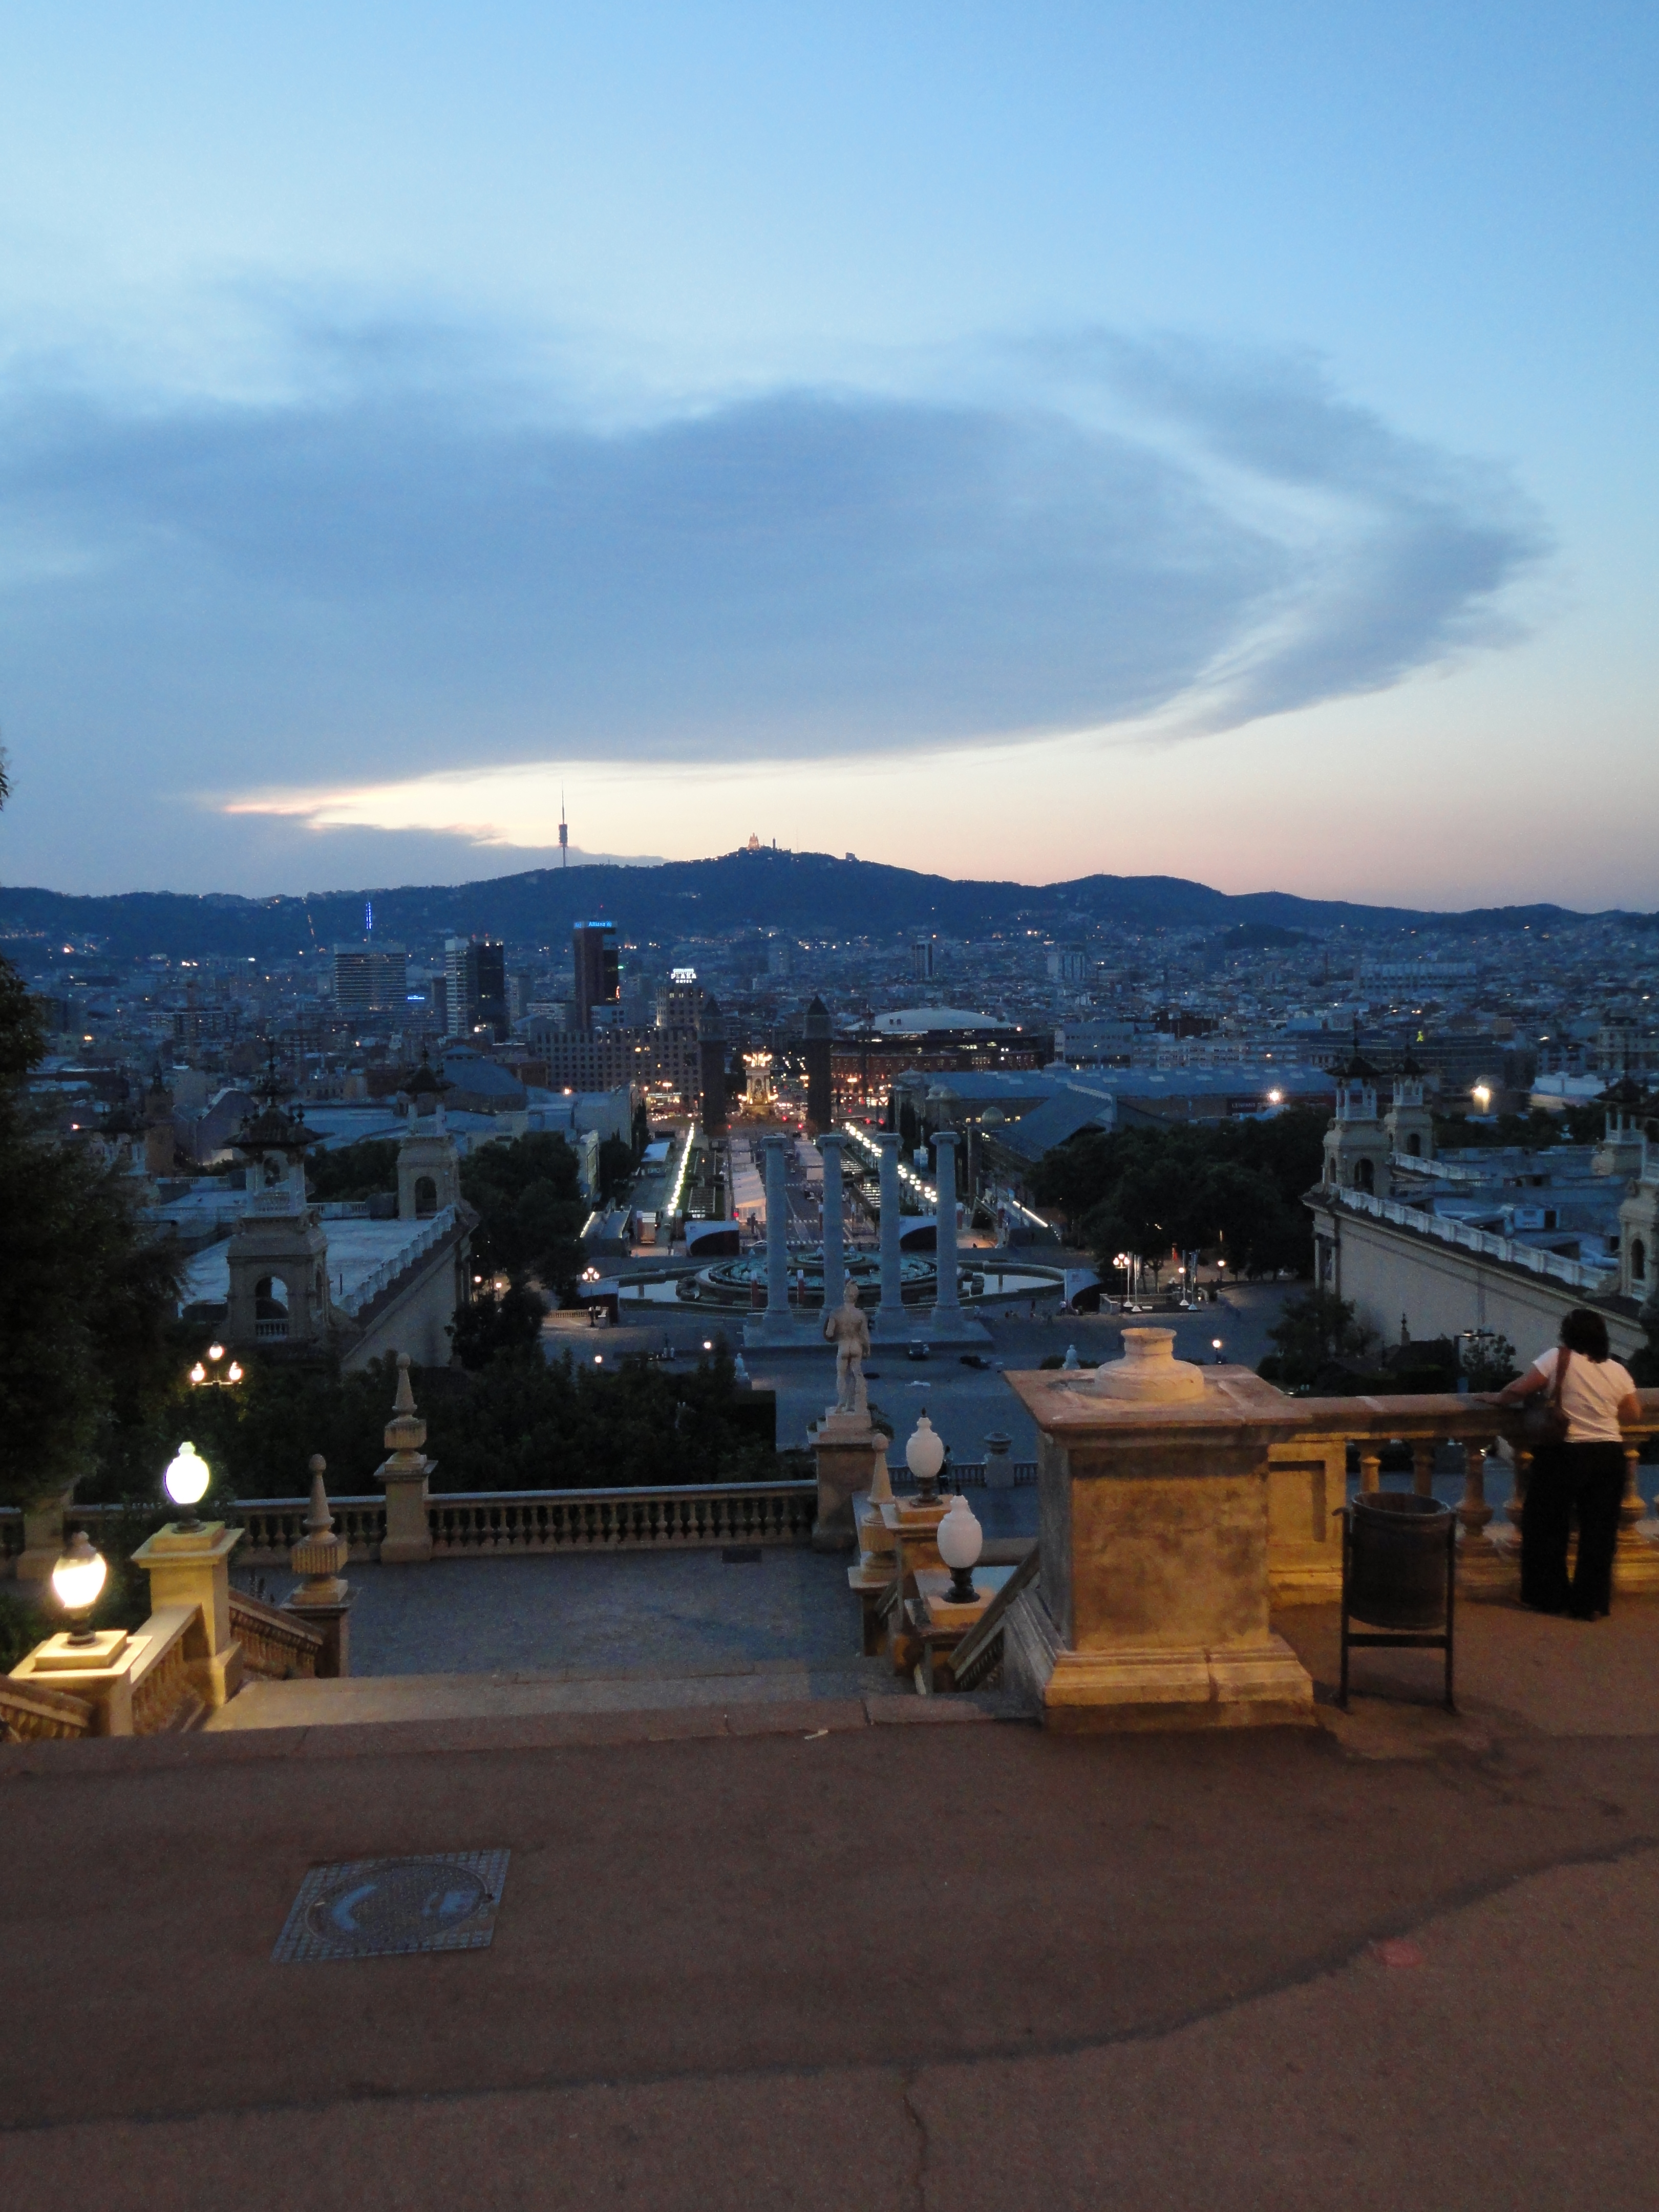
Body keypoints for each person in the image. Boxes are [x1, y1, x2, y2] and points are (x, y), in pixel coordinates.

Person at [1486, 1308, 1640, 1620]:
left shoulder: (1558, 1358)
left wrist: (1497, 1399)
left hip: (1565, 1452)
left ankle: (1548, 1596)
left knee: (1545, 1525)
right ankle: (1590, 1603)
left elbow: (1520, 1389)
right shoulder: (1617, 1370)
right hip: (1609, 1454)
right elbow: (1633, 1413)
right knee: (1599, 1532)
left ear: (1568, 1334)